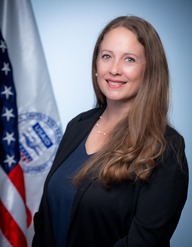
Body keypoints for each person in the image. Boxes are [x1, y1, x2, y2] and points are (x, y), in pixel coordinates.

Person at [32, 16, 189, 247]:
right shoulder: (78, 125)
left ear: (149, 70)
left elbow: (145, 242)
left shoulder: (166, 148)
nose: (114, 69)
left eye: (129, 59)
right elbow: (45, 217)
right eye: (106, 56)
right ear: (96, 65)